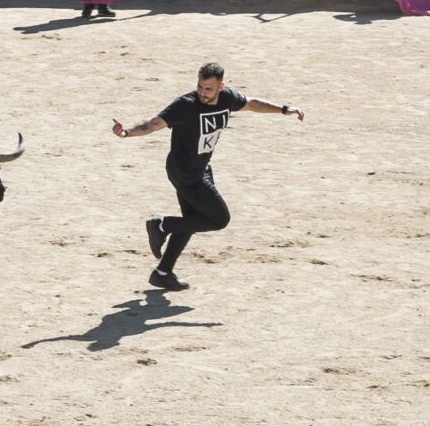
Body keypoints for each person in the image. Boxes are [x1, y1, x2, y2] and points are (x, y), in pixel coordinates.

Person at [111, 61, 304, 292]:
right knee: (219, 219)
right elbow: (152, 124)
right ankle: (162, 226)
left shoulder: (227, 98)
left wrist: (283, 109)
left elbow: (251, 103)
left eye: (209, 89)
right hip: (185, 172)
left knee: (192, 220)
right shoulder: (186, 105)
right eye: (200, 87)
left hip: (200, 168)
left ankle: (162, 272)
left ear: (220, 87)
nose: (203, 92)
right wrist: (126, 133)